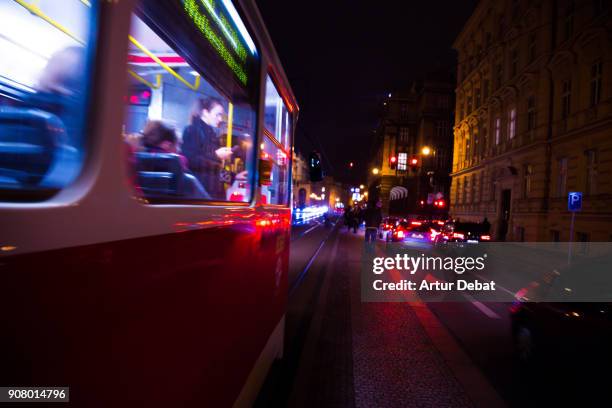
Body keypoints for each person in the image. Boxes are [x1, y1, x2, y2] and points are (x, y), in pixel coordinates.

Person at [141, 120, 210, 199]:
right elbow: (207, 205)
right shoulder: (185, 177)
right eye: (178, 145)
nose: (179, 150)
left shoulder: (135, 167)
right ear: (166, 145)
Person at [182, 97, 232, 199]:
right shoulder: (192, 130)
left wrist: (234, 176)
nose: (220, 119)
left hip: (209, 192)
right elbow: (191, 161)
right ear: (205, 113)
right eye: (218, 115)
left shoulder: (211, 134)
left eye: (221, 115)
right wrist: (216, 155)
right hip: (199, 194)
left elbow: (214, 169)